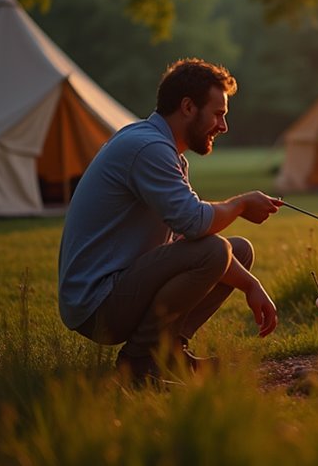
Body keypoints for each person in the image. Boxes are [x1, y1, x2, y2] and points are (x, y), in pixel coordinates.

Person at [58, 58, 281, 382]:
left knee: (238, 251)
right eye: (218, 114)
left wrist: (250, 284)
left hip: (121, 287)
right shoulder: (148, 148)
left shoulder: (162, 150)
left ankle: (170, 352)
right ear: (188, 107)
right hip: (97, 304)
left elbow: (183, 238)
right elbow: (194, 224)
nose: (223, 126)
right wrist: (241, 203)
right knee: (216, 251)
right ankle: (137, 362)